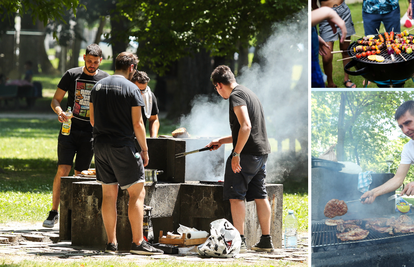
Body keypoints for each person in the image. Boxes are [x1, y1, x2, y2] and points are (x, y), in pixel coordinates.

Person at [89, 52, 163, 255]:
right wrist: (145, 149)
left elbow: (92, 120)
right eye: (135, 69)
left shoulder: (98, 86)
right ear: (131, 67)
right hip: (123, 146)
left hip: (100, 146)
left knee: (109, 195)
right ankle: (138, 242)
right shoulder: (132, 89)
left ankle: (111, 244)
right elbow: (138, 123)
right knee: (137, 193)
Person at [207, 65, 273, 252]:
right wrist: (221, 140)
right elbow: (247, 130)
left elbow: (246, 127)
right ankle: (266, 240)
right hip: (261, 153)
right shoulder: (249, 93)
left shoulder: (236, 96)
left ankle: (240, 242)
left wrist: (236, 154)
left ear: (219, 85)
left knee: (236, 197)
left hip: (247, 154)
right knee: (260, 195)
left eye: (216, 88)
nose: (217, 92)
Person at [43, 44, 109, 228]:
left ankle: (74, 214)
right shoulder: (71, 75)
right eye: (89, 61)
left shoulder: (105, 79)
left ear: (100, 61)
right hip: (69, 130)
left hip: (91, 133)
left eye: (96, 62)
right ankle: (54, 212)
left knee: (80, 174)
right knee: (63, 170)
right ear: (84, 58)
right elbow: (55, 99)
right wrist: (59, 111)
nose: (92, 65)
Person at [362, 101, 414, 203]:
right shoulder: (408, 148)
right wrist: (374, 192)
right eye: (401, 127)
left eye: (407, 123)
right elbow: (398, 179)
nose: (405, 131)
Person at [312, 0, 356, 88]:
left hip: (344, 12)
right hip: (325, 15)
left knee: (345, 50)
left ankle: (346, 79)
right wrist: (322, 15)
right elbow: (313, 3)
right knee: (326, 57)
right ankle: (330, 83)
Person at [130, 71, 160, 137]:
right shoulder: (124, 95)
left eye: (143, 90)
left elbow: (153, 119)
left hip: (139, 137)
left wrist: (153, 138)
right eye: (138, 90)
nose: (140, 93)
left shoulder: (149, 96)